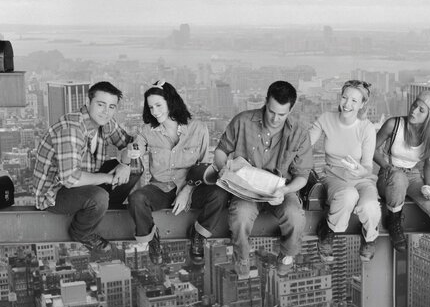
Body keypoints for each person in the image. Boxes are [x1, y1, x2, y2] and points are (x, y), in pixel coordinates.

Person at [212, 80, 313, 278]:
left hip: (281, 190)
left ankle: (286, 256)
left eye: (282, 115)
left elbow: (302, 175)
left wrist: (284, 191)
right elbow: (221, 151)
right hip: (247, 189)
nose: (275, 119)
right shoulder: (242, 121)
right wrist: (225, 169)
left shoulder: (300, 133)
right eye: (271, 111)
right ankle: (241, 257)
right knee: (240, 216)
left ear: (290, 110)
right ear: (265, 102)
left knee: (295, 217)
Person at [127, 81, 229, 265]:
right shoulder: (147, 131)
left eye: (158, 105)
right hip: (161, 188)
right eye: (151, 107)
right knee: (136, 199)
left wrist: (187, 189)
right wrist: (131, 153)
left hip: (193, 188)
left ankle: (199, 235)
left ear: (171, 102)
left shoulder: (199, 128)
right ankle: (152, 238)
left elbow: (204, 167)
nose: (155, 112)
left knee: (220, 194)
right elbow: (136, 148)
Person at [374, 90, 430, 304]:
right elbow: (371, 149)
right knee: (399, 179)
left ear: (429, 117)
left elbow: (428, 166)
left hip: (414, 176)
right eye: (415, 105)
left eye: (421, 110)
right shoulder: (393, 125)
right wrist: (387, 166)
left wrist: (429, 186)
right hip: (389, 174)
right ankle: (394, 221)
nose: (414, 110)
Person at [33, 81, 141, 252]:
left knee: (136, 167)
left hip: (85, 180)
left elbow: (132, 143)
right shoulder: (71, 129)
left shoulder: (105, 123)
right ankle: (81, 232)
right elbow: (70, 179)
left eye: (111, 107)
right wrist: (108, 178)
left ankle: (101, 208)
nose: (106, 111)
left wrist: (126, 164)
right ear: (88, 102)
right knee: (98, 197)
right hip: (55, 193)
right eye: (101, 104)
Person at [309, 80, 381, 263]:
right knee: (348, 196)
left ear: (363, 104)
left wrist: (361, 171)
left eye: (354, 101)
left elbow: (368, 167)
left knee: (370, 206)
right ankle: (328, 232)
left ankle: (370, 237)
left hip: (361, 178)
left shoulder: (367, 128)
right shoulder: (326, 118)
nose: (347, 104)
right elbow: (304, 145)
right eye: (344, 97)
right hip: (333, 176)